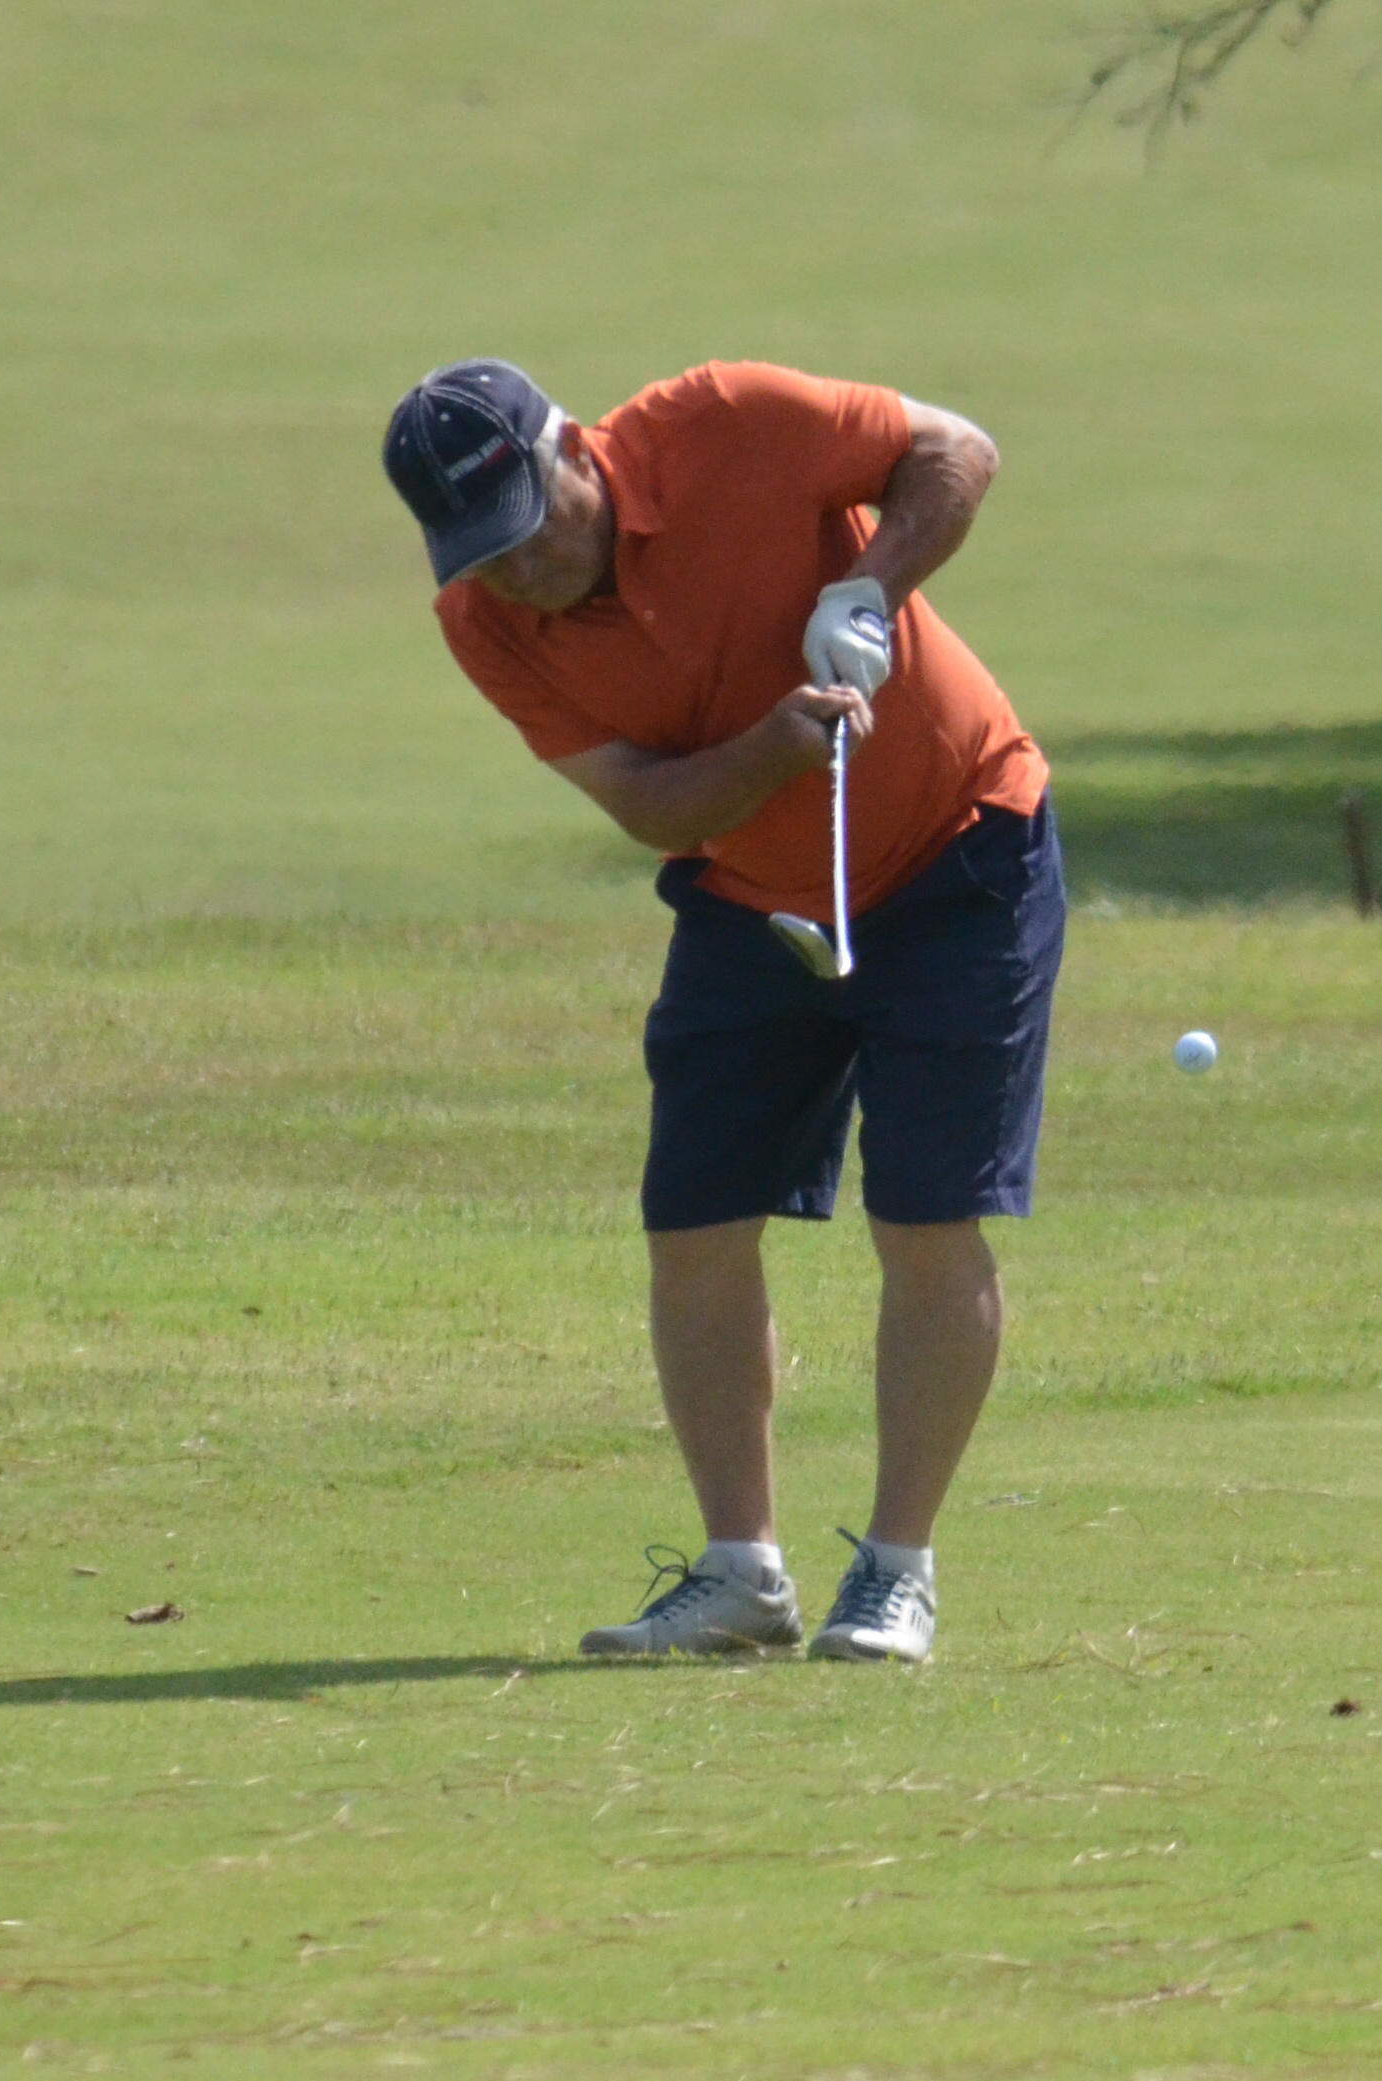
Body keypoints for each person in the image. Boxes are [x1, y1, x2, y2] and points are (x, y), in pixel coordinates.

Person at [380, 357, 1060, 1664]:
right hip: (754, 897)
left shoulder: (728, 424)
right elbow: (647, 803)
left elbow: (959, 451)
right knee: (692, 1221)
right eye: (482, 556)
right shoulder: (484, 623)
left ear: (572, 452)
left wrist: (871, 585)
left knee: (924, 1216)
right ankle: (742, 1574)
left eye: (527, 533)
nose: (517, 575)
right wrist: (776, 743)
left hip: (965, 845)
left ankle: (896, 1573)